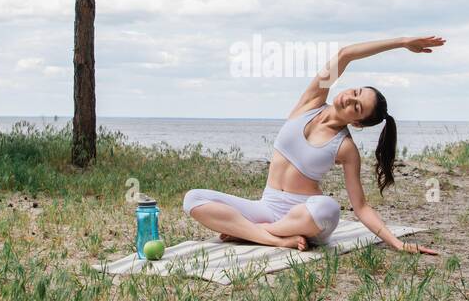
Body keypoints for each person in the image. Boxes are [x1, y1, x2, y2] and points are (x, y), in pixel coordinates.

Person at [182, 36, 444, 254]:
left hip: (304, 217)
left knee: (327, 207)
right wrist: (403, 42)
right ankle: (272, 238)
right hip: (266, 208)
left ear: (358, 124)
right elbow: (345, 55)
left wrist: (397, 243)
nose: (348, 100)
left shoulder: (345, 148)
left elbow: (361, 206)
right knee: (193, 198)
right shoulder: (311, 101)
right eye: (354, 93)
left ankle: (249, 232)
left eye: (357, 107)